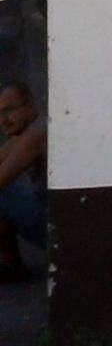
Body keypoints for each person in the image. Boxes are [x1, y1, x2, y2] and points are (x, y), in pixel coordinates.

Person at [0, 80, 45, 282]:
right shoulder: (27, 132)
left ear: (30, 106)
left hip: (57, 228)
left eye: (9, 110)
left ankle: (12, 266)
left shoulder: (38, 132)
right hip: (48, 216)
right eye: (0, 113)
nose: (4, 120)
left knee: (3, 193)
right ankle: (11, 264)